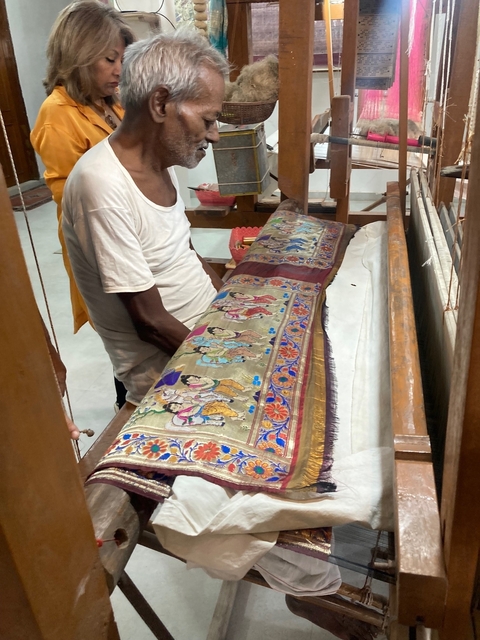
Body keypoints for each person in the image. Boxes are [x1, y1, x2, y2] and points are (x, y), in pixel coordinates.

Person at [62, 30, 228, 406]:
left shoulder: (159, 163)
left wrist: (229, 310)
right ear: (160, 103)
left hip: (202, 340)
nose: (214, 135)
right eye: (208, 120)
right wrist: (224, 363)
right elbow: (150, 322)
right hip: (167, 376)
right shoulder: (100, 185)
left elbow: (186, 255)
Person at [31, 0, 135, 407]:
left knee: (139, 327)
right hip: (99, 242)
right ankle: (127, 410)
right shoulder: (58, 114)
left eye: (122, 59)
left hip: (130, 229)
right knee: (124, 334)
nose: (118, 69)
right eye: (109, 59)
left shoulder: (110, 103)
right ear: (78, 56)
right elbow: (73, 195)